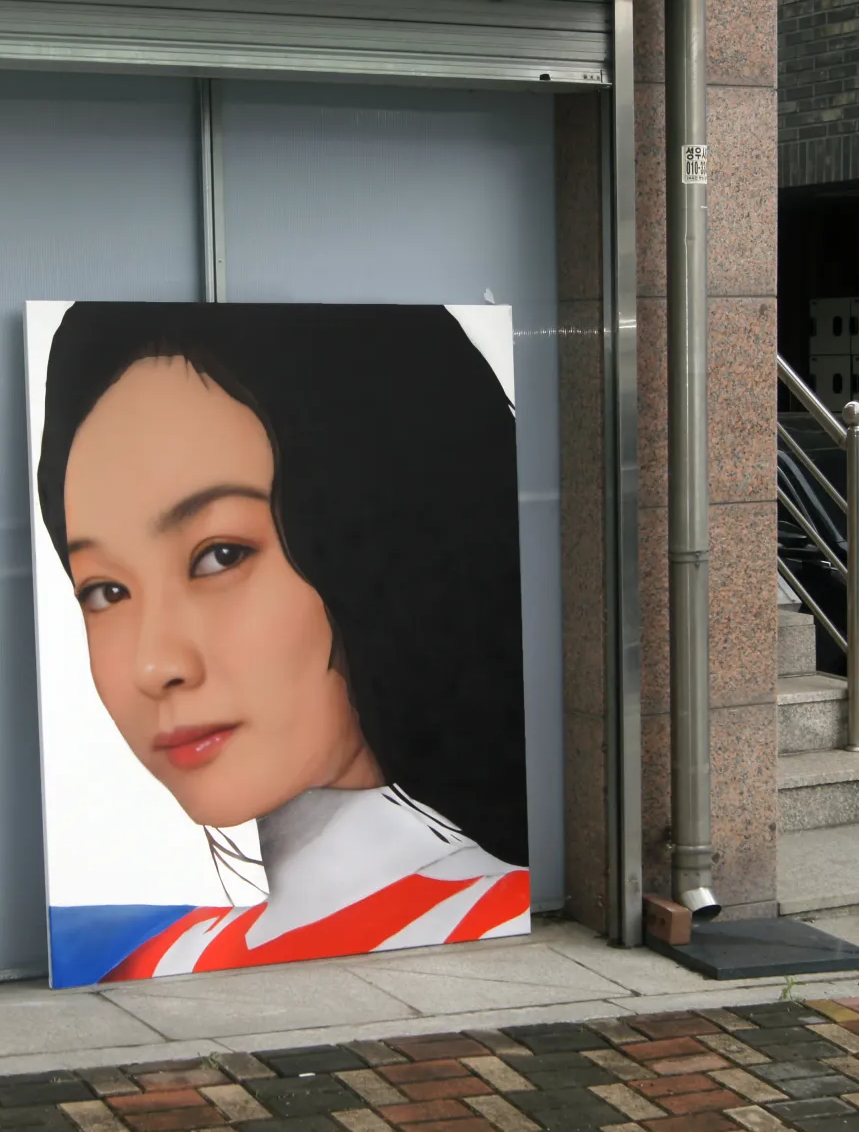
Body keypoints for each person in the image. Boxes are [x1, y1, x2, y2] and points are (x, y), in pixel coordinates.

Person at [35, 302, 529, 983]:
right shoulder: (167, 960)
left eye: (219, 555)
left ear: (380, 532)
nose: (154, 663)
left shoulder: (493, 928)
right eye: (105, 591)